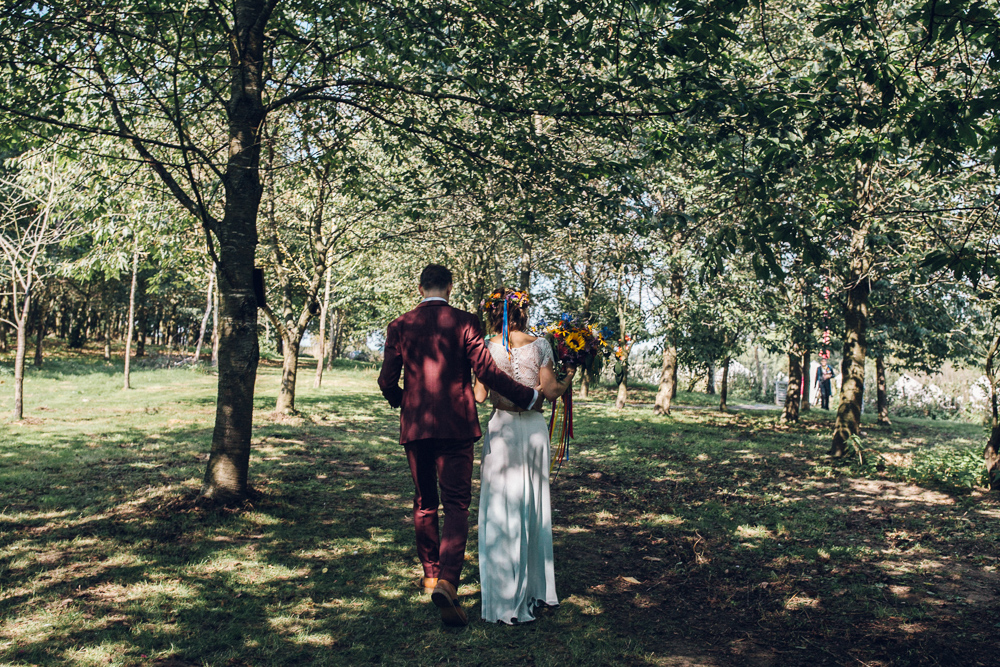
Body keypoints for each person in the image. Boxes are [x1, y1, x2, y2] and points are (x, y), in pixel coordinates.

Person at [377, 265, 541, 627]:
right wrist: (528, 396)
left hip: (416, 426)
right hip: (456, 426)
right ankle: (450, 582)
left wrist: (405, 401)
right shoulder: (466, 322)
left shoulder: (399, 325)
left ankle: (431, 575)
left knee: (424, 503)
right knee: (456, 504)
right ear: (450, 287)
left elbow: (386, 380)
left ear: (419, 287)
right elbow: (487, 373)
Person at [473, 288, 575, 624]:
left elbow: (480, 396)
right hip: (532, 428)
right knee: (532, 505)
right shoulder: (541, 345)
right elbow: (550, 391)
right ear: (523, 311)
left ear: (494, 313)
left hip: (501, 426)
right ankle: (534, 588)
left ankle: (503, 587)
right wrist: (568, 378)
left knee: (502, 505)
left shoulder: (487, 348)